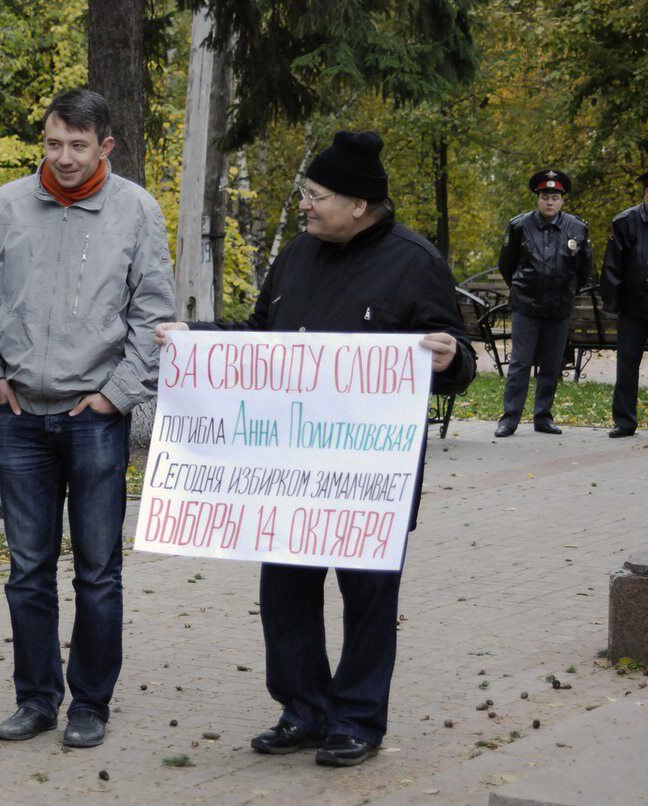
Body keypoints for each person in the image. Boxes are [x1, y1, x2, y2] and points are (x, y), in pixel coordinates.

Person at [155, 130, 476, 767]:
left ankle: (357, 719)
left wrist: (449, 358)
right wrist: (196, 340)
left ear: (359, 204)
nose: (304, 205)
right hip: (288, 473)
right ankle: (303, 709)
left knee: (368, 598)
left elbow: (459, 363)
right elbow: (258, 338)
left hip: (367, 479)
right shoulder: (298, 254)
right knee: (285, 594)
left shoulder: (416, 262)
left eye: (314, 194)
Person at [0, 88, 175, 749]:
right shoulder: (6, 205)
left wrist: (117, 395)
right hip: (21, 415)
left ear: (105, 145)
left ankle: (90, 704)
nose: (62, 157)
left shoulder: (137, 212)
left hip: (95, 418)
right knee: (27, 568)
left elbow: (153, 316)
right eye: (53, 143)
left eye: (78, 146)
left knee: (97, 569)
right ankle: (35, 700)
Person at [494, 170, 593, 437]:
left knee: (551, 365)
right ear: (538, 199)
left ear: (562, 200)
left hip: (559, 307)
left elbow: (584, 270)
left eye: (555, 197)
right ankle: (509, 418)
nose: (550, 201)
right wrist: (522, 287)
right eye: (545, 196)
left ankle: (543, 417)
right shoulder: (519, 226)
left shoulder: (578, 228)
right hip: (527, 306)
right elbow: (506, 265)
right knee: (520, 364)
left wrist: (568, 290)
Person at [600, 171, 648, 437]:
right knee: (627, 363)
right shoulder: (626, 222)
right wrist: (613, 303)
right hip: (633, 306)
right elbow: (612, 266)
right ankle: (625, 421)